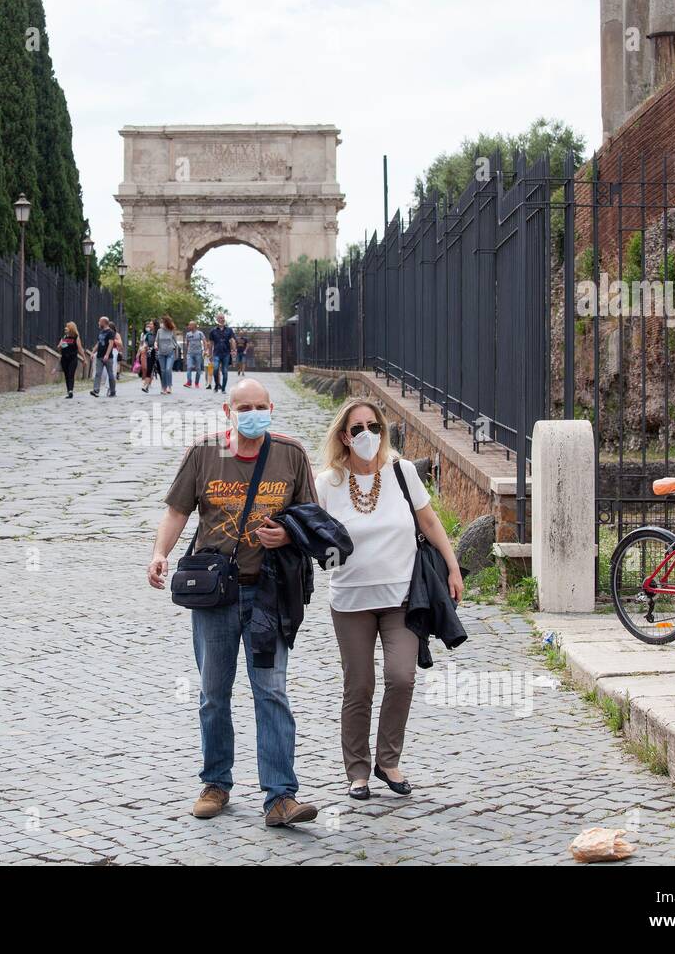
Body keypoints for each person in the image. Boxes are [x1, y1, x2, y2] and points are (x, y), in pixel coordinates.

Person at [148, 377, 321, 828]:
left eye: (259, 406)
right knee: (212, 693)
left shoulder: (291, 454)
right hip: (215, 593)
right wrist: (159, 553)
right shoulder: (205, 453)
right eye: (243, 407)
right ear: (228, 412)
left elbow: (313, 520)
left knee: (272, 692)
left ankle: (281, 796)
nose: (252, 413)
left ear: (271, 407)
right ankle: (216, 783)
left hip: (268, 593)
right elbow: (177, 511)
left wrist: (287, 534)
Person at [314, 399, 463, 801]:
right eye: (357, 428)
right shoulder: (327, 482)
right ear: (344, 436)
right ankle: (357, 770)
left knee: (401, 677)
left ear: (383, 430)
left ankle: (388, 760)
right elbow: (312, 533)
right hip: (350, 600)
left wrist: (452, 566)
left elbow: (429, 521)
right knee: (358, 685)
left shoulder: (401, 472)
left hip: (402, 597)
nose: (366, 435)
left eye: (373, 426)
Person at [89, 316, 117, 398]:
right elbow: (98, 344)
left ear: (104, 322)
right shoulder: (101, 332)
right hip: (99, 356)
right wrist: (92, 353)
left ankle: (112, 391)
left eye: (99, 321)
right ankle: (96, 390)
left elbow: (111, 344)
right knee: (98, 373)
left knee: (110, 374)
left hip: (108, 357)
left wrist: (107, 354)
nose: (98, 323)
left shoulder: (110, 332)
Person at [208, 315, 236, 393]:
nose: (222, 319)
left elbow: (232, 340)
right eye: (220, 318)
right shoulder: (213, 331)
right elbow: (210, 343)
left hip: (226, 353)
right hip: (216, 353)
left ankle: (223, 388)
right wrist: (210, 354)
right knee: (215, 369)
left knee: (225, 371)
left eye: (223, 318)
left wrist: (234, 350)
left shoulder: (229, 330)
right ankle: (217, 385)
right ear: (217, 320)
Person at [57, 322, 85, 399]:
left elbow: (80, 348)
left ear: (71, 328)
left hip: (73, 359)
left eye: (67, 327)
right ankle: (68, 390)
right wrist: (60, 345)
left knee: (71, 374)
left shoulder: (76, 337)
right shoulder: (64, 337)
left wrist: (84, 358)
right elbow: (59, 348)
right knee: (66, 375)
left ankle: (70, 391)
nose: (65, 328)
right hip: (64, 359)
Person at [155, 316, 178, 395]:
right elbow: (156, 341)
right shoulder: (159, 331)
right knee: (163, 371)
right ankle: (163, 387)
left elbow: (175, 342)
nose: (161, 323)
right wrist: (155, 345)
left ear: (166, 322)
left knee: (168, 369)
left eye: (163, 322)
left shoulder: (171, 330)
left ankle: (169, 386)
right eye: (161, 322)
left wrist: (175, 349)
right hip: (161, 353)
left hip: (170, 352)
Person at [183, 321, 206, 388]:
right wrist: (186, 353)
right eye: (189, 325)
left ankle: (196, 383)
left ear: (194, 326)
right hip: (190, 353)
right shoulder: (188, 334)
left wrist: (205, 350)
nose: (189, 326)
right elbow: (187, 344)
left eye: (190, 325)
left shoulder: (200, 333)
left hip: (198, 353)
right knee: (189, 367)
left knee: (198, 368)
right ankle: (189, 382)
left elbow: (204, 341)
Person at [139, 320, 158, 393]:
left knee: (161, 370)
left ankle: (166, 387)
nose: (149, 326)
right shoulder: (148, 334)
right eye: (149, 324)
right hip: (150, 353)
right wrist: (143, 347)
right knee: (149, 369)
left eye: (151, 324)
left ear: (155, 325)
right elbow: (145, 343)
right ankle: (146, 385)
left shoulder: (159, 333)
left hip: (159, 354)